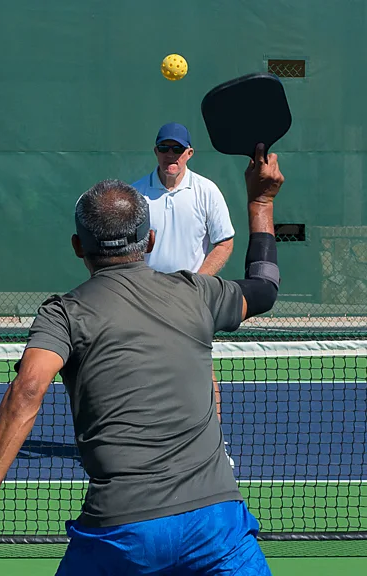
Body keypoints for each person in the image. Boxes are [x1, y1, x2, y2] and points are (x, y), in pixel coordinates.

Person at [0, 143, 283, 575]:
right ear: (151, 239)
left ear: (76, 246)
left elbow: (28, 389)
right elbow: (265, 286)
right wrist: (260, 201)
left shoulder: (63, 313)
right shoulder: (197, 293)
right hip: (216, 527)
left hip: (122, 533)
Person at [133, 122, 237, 467]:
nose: (170, 156)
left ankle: (213, 449)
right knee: (142, 373)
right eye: (165, 148)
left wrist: (198, 282)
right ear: (156, 152)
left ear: (189, 153)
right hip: (145, 301)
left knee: (201, 373)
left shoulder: (206, 191)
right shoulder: (136, 195)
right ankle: (147, 446)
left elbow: (224, 241)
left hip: (192, 299)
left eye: (177, 149)